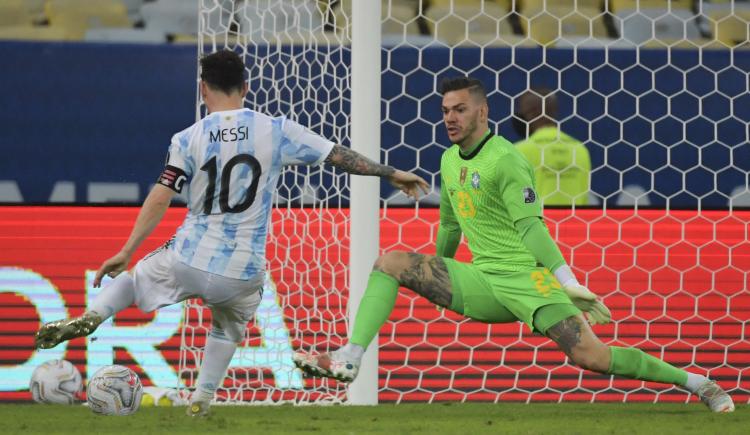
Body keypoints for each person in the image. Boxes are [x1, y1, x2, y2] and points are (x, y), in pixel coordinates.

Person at [293, 77, 735, 413]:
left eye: (460, 109)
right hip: (482, 279)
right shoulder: (449, 160)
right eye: (446, 110)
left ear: (482, 113)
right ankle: (349, 357)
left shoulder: (507, 160)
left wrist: (567, 280)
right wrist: (437, 272)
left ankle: (695, 382)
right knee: (390, 260)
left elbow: (531, 228)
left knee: (592, 357)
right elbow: (449, 226)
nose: (450, 118)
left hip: (529, 282)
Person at [34, 50, 429, 417]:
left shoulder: (187, 138)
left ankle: (92, 315)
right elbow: (338, 157)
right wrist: (390, 172)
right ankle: (202, 400)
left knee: (137, 277)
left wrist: (126, 249)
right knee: (228, 325)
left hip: (189, 256)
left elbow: (160, 196)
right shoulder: (275, 130)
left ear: (203, 87)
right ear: (246, 87)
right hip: (242, 270)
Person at [513, 88, 591, 206]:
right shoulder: (580, 149)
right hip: (575, 223)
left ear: (532, 112)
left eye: (522, 112)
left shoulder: (519, 151)